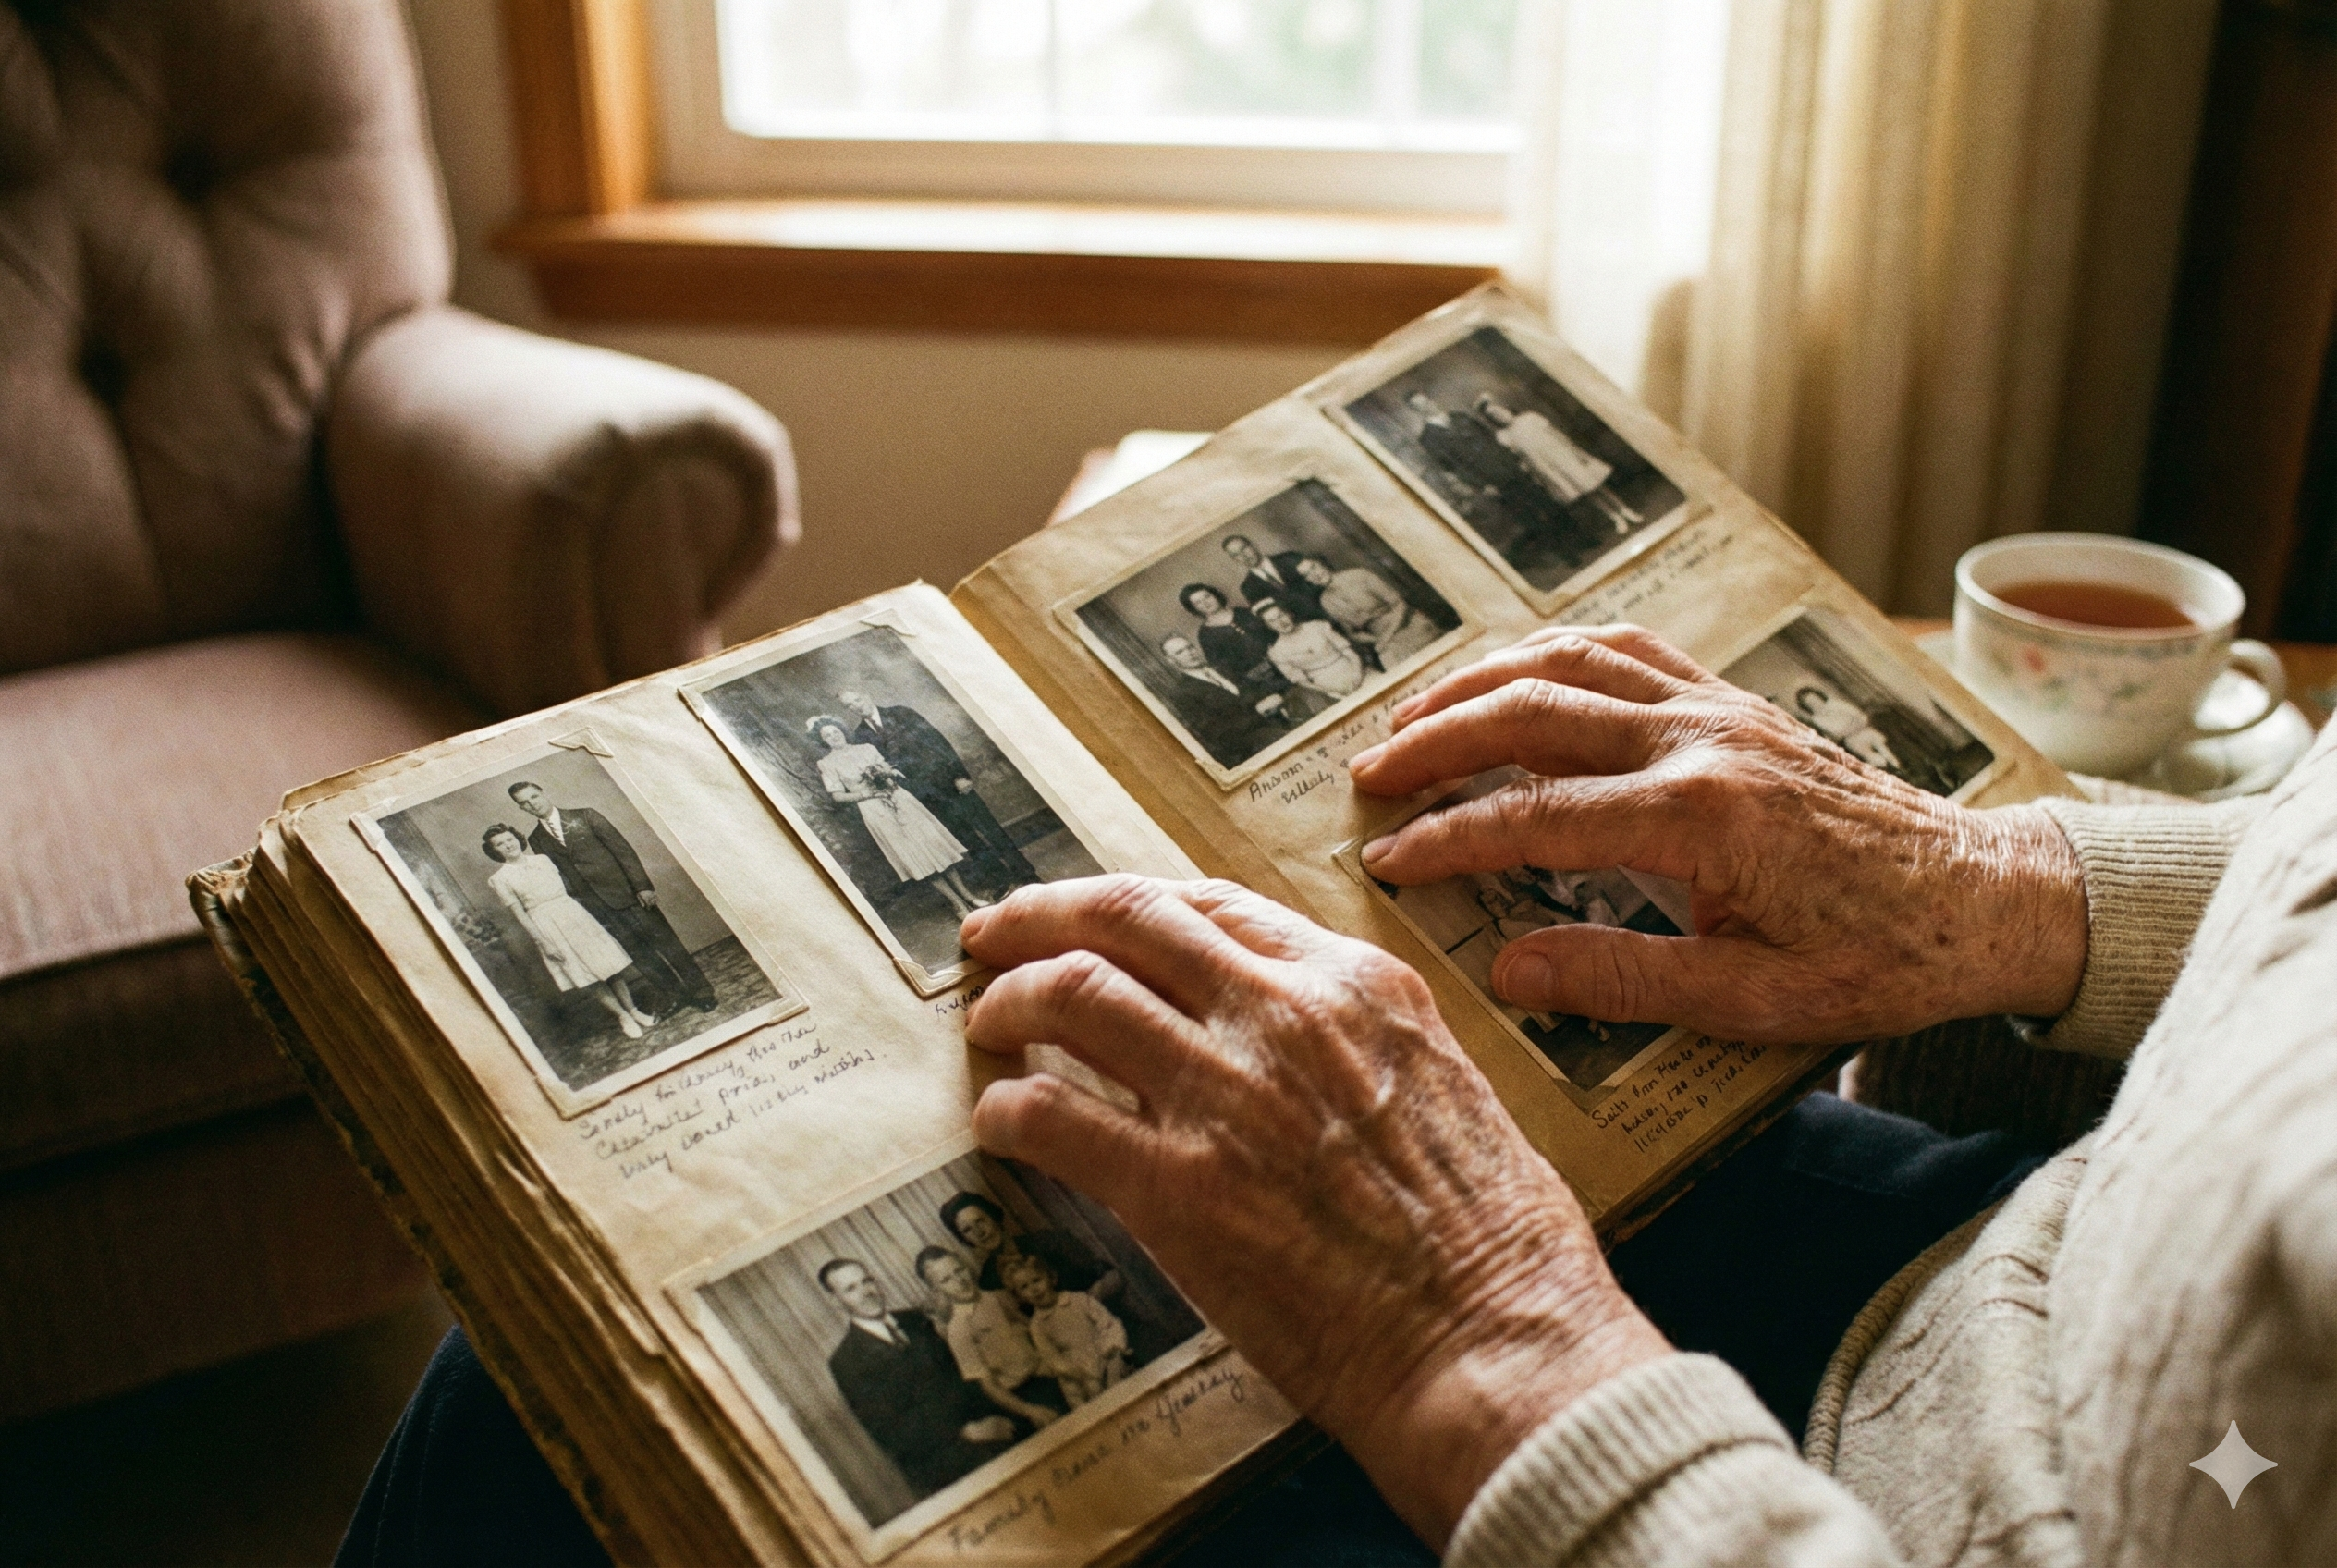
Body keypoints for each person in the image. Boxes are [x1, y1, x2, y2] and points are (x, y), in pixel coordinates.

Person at [341, 620, 2337, 1566]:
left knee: (583, 1449)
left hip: (1738, 1501)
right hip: (2006, 1262)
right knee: (571, 1349)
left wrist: (1485, 1341)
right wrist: (2018, 891)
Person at [507, 781, 718, 1017]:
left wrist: (642, 886)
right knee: (639, 955)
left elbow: (622, 851)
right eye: (524, 803)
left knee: (668, 945)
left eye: (534, 797)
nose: (532, 804)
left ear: (543, 793)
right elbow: (559, 876)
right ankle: (675, 995)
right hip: (596, 907)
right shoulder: (537, 839)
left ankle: (701, 992)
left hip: (629, 895)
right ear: (521, 808)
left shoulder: (586, 815)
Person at [816, 1258, 1017, 1498]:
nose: (866, 1292)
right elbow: (891, 1431)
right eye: (851, 1289)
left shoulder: (914, 1319)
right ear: (836, 1302)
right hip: (942, 1463)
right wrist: (967, 1432)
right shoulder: (846, 1361)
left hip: (990, 1427)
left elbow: (961, 1375)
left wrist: (995, 1417)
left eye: (867, 1281)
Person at [840, 687, 1038, 898]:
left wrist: (959, 775)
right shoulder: (860, 737)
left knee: (989, 828)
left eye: (857, 700)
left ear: (867, 696)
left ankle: (1026, 873)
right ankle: (1002, 879)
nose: (856, 706)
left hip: (949, 780)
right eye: (849, 705)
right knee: (966, 838)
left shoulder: (901, 713)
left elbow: (937, 741)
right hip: (923, 795)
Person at [479, 824, 655, 1041]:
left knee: (607, 962)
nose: (507, 845)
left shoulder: (543, 860)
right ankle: (623, 1017)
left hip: (573, 913)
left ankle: (633, 1011)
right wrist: (543, 942)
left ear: (517, 838)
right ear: (494, 851)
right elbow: (520, 914)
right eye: (499, 844)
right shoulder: (499, 879)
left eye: (509, 839)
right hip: (546, 924)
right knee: (582, 972)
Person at [808, 717, 988, 920]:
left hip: (900, 799)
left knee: (934, 846)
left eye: (835, 731)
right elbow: (837, 796)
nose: (834, 736)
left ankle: (968, 896)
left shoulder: (867, 748)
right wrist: (866, 793)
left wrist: (887, 775)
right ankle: (957, 904)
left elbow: (887, 769)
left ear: (842, 731)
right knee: (915, 856)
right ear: (823, 741)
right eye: (827, 735)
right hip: (874, 810)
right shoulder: (826, 764)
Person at [914, 1246, 1066, 1432]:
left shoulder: (993, 1297)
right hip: (1022, 1394)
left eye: (959, 1270)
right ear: (937, 1290)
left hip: (1047, 1370)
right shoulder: (958, 1329)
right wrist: (1030, 1411)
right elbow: (989, 1386)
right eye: (946, 1280)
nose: (960, 1281)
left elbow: (1032, 1326)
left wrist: (1053, 1356)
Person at [1478, 394, 1644, 536]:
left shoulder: (1529, 418)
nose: (1499, 416)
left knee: (1594, 484)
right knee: (1584, 491)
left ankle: (1625, 510)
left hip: (1562, 456)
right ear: (1493, 421)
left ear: (1505, 408)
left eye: (1499, 411)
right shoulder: (1504, 436)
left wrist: (1576, 452)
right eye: (1494, 416)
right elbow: (1522, 458)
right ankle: (1615, 517)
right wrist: (1536, 475)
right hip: (1548, 467)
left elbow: (1557, 436)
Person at [1003, 1252, 1129, 1408]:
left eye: (1036, 1280)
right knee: (1084, 1395)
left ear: (1052, 1278)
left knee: (1117, 1375)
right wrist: (1073, 1372)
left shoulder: (1079, 1300)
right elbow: (1051, 1356)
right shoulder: (1037, 1325)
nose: (1034, 1289)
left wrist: (1112, 1349)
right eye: (1024, 1287)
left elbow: (1108, 1324)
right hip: (1075, 1370)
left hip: (1104, 1352)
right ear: (1020, 1296)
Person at [1155, 632, 1290, 766]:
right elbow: (1218, 732)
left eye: (1190, 647)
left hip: (1275, 718)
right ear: (1171, 660)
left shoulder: (1222, 668)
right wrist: (1258, 712)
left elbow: (1254, 688)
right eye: (1180, 652)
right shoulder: (1182, 693)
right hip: (1247, 743)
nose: (1189, 653)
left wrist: (1274, 697)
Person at [1303, 555, 1441, 671]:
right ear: (1308, 581)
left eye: (1313, 567)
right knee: (1396, 670)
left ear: (1322, 563)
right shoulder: (1326, 601)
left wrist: (1387, 637)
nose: (1314, 575)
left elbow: (1399, 604)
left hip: (1408, 625)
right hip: (1383, 640)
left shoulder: (1359, 575)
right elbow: (1353, 633)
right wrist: (1377, 641)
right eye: (1307, 575)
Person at [1178, 582, 1288, 698]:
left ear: (1215, 595)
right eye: (1198, 603)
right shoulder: (1205, 635)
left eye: (1207, 596)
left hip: (1286, 660)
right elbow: (1224, 669)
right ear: (1194, 608)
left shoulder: (1244, 612)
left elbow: (1276, 633)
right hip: (1261, 683)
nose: (1206, 603)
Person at [1256, 599, 1364, 707]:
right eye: (1272, 621)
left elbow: (1351, 654)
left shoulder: (1318, 626)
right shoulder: (1277, 652)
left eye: (1281, 615)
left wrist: (1357, 674)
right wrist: (1331, 692)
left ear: (1290, 614)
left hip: (1353, 669)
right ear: (1269, 626)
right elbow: (1302, 681)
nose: (1280, 623)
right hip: (1324, 687)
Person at [1792, 682, 1909, 775]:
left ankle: (1898, 766)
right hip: (1852, 739)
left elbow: (1860, 716)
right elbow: (1838, 732)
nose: (1814, 703)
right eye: (1809, 703)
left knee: (1882, 745)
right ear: (1806, 707)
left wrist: (1854, 724)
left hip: (1864, 730)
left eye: (1814, 699)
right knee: (1871, 757)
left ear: (1819, 696)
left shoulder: (1835, 704)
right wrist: (1852, 725)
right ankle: (1889, 771)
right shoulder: (1817, 719)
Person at [1220, 533, 1322, 623]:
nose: (1244, 555)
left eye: (1244, 548)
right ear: (1234, 560)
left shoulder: (1289, 557)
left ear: (1253, 545)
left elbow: (1320, 580)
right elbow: (1271, 618)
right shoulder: (1248, 588)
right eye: (1236, 555)